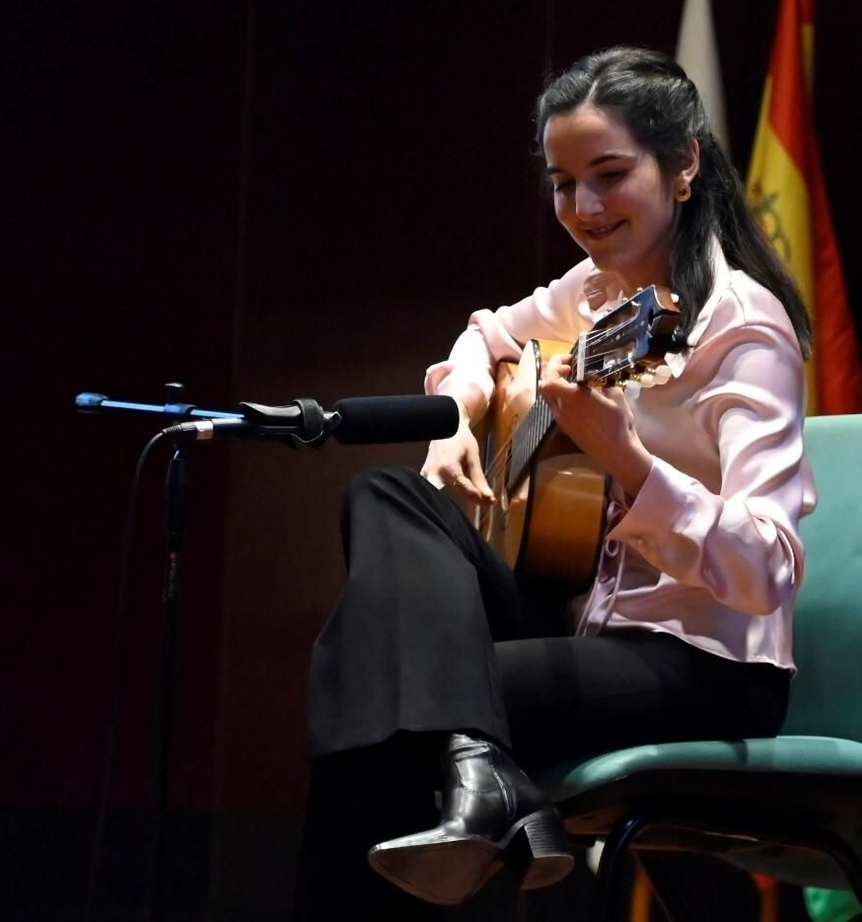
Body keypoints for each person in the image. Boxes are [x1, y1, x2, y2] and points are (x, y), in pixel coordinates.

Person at [293, 46, 817, 919]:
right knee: (386, 493)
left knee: (375, 690)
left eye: (610, 175)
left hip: (704, 667)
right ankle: (481, 765)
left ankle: (474, 767)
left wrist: (630, 462)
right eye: (564, 184)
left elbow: (767, 567)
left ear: (684, 163)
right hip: (577, 627)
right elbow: (488, 335)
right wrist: (461, 412)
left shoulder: (744, 330)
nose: (585, 208)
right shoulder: (599, 294)